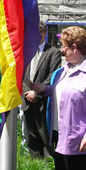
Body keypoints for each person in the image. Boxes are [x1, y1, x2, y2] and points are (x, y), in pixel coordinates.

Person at [32, 26, 86, 170]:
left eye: (64, 46)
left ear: (74, 47)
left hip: (77, 137)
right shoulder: (66, 69)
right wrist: (45, 89)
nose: (61, 49)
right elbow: (64, 92)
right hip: (59, 132)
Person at [21, 21, 61, 159]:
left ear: (44, 33)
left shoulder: (53, 52)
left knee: (45, 136)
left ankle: (48, 167)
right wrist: (27, 93)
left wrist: (36, 93)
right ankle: (35, 166)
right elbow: (22, 75)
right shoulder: (26, 51)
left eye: (40, 32)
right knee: (31, 136)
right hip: (27, 101)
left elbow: (53, 76)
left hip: (43, 102)